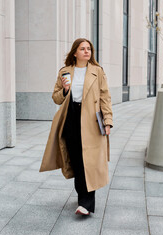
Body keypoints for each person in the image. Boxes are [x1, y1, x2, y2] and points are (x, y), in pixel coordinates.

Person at [39, 38, 113, 216]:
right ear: (75, 52)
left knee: (90, 161)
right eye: (82, 49)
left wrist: (108, 121)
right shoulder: (65, 72)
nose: (87, 51)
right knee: (78, 161)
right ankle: (82, 198)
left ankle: (86, 204)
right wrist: (64, 90)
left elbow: (105, 97)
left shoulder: (97, 71)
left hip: (91, 121)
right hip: (71, 118)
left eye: (89, 49)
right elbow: (56, 98)